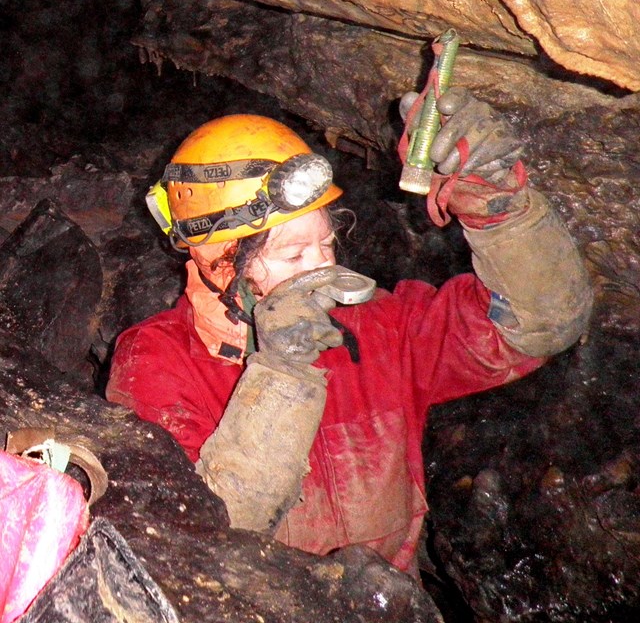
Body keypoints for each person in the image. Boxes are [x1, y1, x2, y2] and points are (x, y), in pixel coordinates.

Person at [106, 89, 593, 578]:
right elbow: (201, 536)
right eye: (293, 255)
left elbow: (538, 325)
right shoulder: (155, 360)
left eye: (326, 243)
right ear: (217, 260)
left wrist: (500, 209)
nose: (322, 266)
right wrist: (282, 372)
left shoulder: (375, 329)